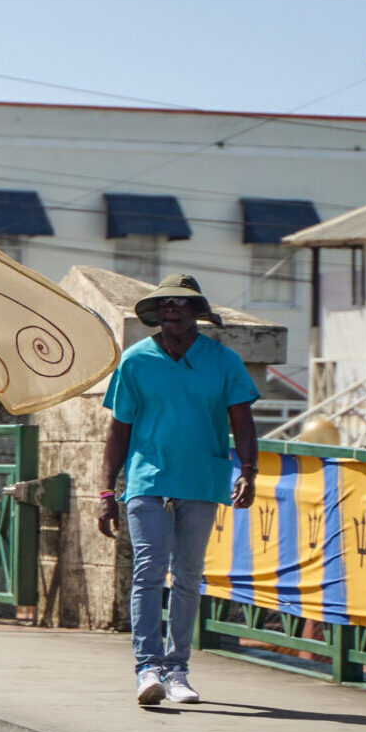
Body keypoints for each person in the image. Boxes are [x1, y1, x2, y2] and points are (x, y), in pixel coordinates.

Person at [100, 275, 258, 707]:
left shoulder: (223, 360)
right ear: (156, 312)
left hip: (200, 479)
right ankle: (146, 667)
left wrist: (248, 469)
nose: (173, 309)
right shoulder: (135, 361)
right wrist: (105, 493)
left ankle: (177, 670)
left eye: (182, 304)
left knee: (188, 576)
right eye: (165, 303)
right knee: (149, 570)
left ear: (197, 313)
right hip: (147, 478)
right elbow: (118, 430)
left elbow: (242, 421)